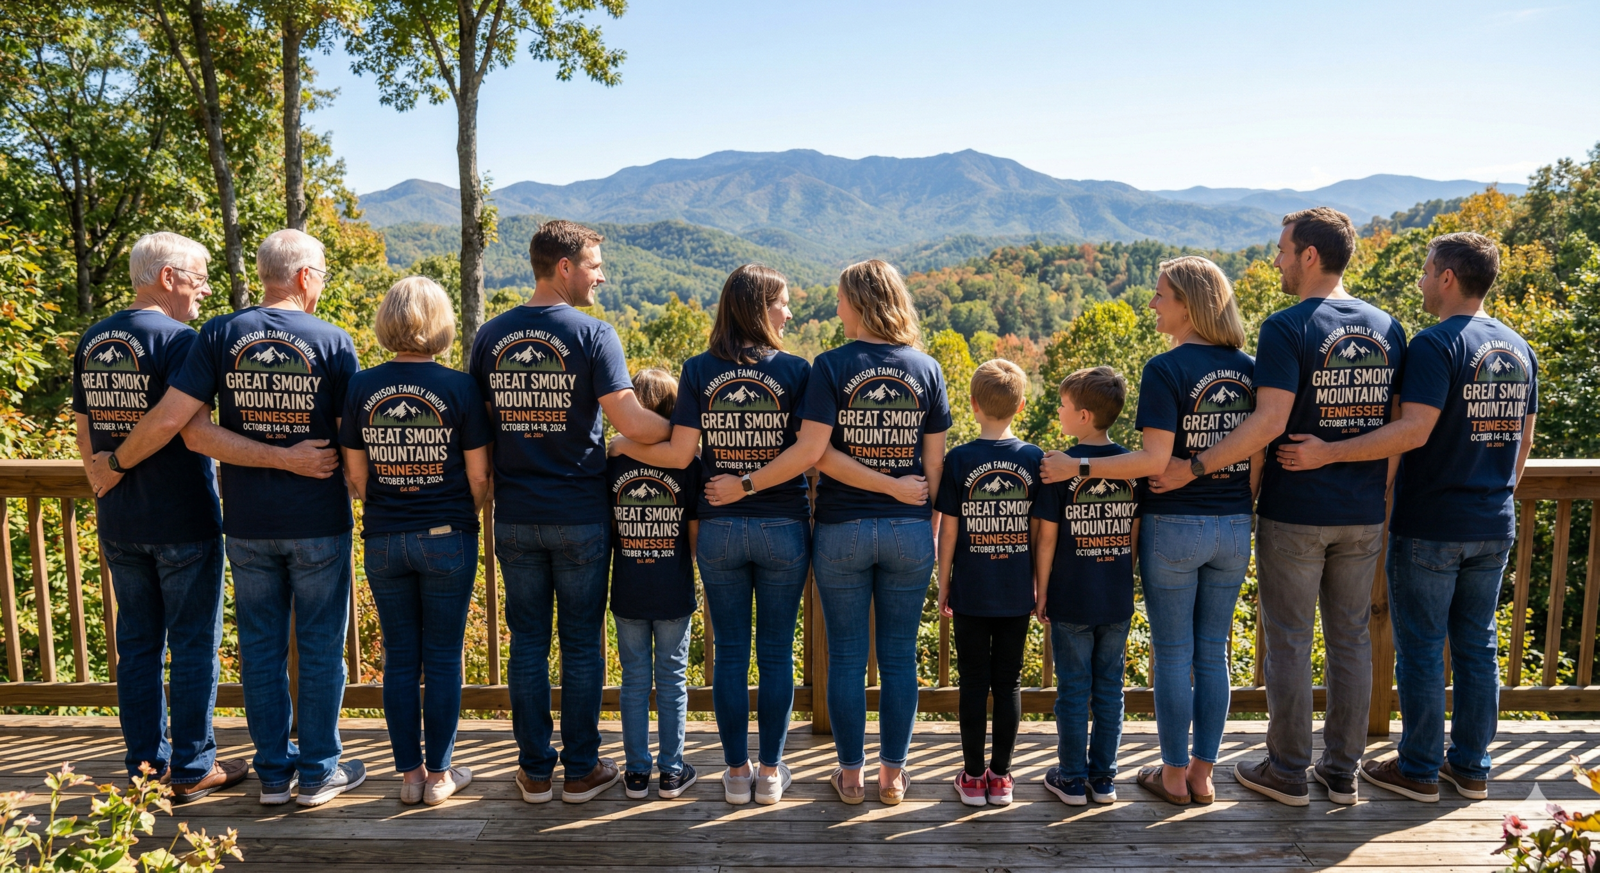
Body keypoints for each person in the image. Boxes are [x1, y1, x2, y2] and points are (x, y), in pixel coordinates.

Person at [95, 228, 364, 807]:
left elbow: (195, 431)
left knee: (258, 647)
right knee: (318, 647)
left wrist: (107, 467)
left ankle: (271, 775)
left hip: (244, 524)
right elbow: (352, 444)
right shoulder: (335, 341)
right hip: (313, 518)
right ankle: (316, 771)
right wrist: (295, 460)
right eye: (321, 275)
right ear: (304, 277)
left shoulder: (217, 332)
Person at [1154, 208, 1407, 807]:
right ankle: (1342, 772)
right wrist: (1379, 490)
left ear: (1310, 256)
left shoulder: (1288, 327)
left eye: (1283, 250)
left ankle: (1289, 771)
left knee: (1289, 640)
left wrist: (1193, 466)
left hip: (1296, 509)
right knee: (1350, 639)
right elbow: (1399, 426)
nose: (1277, 260)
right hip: (1364, 511)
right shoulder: (1387, 327)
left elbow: (1267, 424)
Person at [1279, 232, 1537, 803]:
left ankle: (1419, 768)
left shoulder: (1435, 345)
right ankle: (1471, 767)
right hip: (1494, 519)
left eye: (1426, 272)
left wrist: (1328, 451)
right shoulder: (1519, 348)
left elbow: (1414, 429)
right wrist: (1499, 493)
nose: (1420, 282)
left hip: (1432, 521)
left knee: (1421, 647)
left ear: (1447, 278)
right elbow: (1523, 439)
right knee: (1477, 646)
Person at [1042, 255, 1259, 806]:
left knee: (1173, 651)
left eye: (1160, 295)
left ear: (1188, 304)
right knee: (1214, 653)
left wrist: (1080, 468)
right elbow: (1260, 453)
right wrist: (1238, 499)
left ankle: (1173, 775)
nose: (1153, 303)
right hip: (1234, 523)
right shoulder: (1250, 369)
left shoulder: (1166, 370)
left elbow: (1155, 460)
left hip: (1177, 526)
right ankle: (1205, 775)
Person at [469, 220, 672, 805]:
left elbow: (483, 426)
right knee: (582, 643)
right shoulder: (594, 335)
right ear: (564, 267)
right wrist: (693, 431)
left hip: (514, 514)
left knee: (527, 642)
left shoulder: (491, 336)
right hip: (581, 513)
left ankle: (534, 771)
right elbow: (630, 422)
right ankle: (581, 769)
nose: (601, 275)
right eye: (594, 264)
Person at [609, 264, 824, 806]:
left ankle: (734, 775)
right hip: (783, 525)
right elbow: (808, 453)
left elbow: (681, 455)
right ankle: (770, 773)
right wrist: (755, 484)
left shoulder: (700, 369)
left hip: (721, 527)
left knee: (729, 651)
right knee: (776, 652)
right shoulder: (797, 371)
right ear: (759, 307)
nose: (789, 313)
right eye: (782, 302)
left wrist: (620, 447)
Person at [72, 232, 247, 801]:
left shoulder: (97, 338)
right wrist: (117, 463)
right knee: (194, 644)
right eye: (198, 277)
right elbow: (181, 425)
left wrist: (99, 476)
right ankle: (194, 768)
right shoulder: (181, 341)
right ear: (167, 277)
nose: (204, 289)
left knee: (139, 646)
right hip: (181, 516)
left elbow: (84, 421)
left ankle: (145, 769)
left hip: (120, 520)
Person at [798, 259, 951, 806]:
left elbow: (817, 455)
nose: (836, 309)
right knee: (899, 655)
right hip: (910, 530)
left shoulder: (830, 366)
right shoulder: (926, 368)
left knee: (844, 655)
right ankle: (892, 777)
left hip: (842, 529)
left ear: (860, 302)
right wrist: (925, 524)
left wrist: (880, 490)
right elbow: (935, 467)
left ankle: (851, 776)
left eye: (840, 299)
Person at [339, 277, 492, 806]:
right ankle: (442, 776)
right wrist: (456, 512)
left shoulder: (361, 386)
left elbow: (355, 477)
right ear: (441, 324)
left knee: (401, 657)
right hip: (447, 535)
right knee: (444, 657)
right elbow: (478, 476)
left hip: (383, 537)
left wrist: (389, 502)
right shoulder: (460, 388)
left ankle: (409, 776)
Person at [934, 359, 1040, 808]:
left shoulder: (959, 460)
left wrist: (944, 583)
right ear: (1020, 405)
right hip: (1017, 591)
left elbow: (950, 531)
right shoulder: (1034, 459)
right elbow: (1039, 530)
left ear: (974, 405)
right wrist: (1038, 583)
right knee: (1009, 683)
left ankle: (973, 778)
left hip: (972, 590)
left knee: (974, 683)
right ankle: (1002, 778)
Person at [1033, 366, 1139, 807]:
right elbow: (1132, 536)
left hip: (1072, 597)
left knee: (1073, 689)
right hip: (1114, 595)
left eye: (1062, 405)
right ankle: (1105, 779)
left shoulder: (1060, 470)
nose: (1058, 410)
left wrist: (1041, 591)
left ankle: (1072, 779)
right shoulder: (1130, 466)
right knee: (1109, 690)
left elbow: (1048, 539)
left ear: (1082, 416)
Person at [606, 368, 701, 802]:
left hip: (628, 585)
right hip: (672, 587)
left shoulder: (613, 463)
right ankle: (671, 772)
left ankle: (637, 773)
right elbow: (695, 536)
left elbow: (608, 525)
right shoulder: (690, 467)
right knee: (672, 680)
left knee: (633, 681)